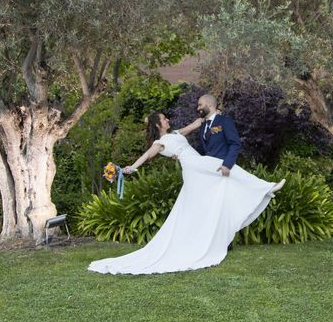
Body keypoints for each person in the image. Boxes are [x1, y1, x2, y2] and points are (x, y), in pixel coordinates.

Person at [87, 111, 286, 275]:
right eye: (165, 119)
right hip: (192, 166)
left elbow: (194, 125)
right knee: (221, 165)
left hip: (196, 165)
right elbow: (147, 155)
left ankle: (209, 235)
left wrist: (212, 114)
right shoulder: (160, 142)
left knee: (211, 195)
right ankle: (266, 186)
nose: (168, 120)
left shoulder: (175, 134)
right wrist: (131, 167)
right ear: (158, 125)